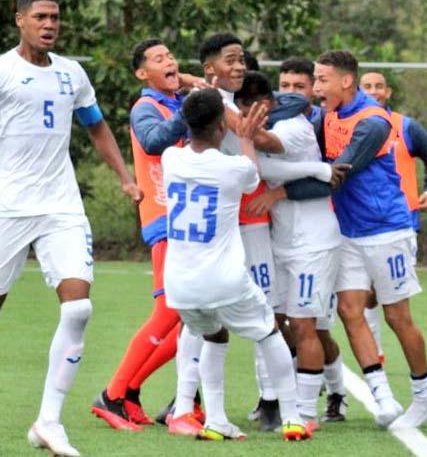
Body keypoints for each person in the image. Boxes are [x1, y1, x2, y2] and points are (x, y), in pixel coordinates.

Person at [0, 0, 143, 457]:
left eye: (55, 17)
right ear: (19, 19)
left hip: (62, 207)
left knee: (78, 309)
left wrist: (125, 177)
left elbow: (96, 125)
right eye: (40, 16)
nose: (50, 24)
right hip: (6, 209)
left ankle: (49, 422)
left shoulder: (72, 74)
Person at [161, 88, 312, 442]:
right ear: (220, 128)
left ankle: (216, 421)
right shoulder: (232, 167)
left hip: (180, 284)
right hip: (224, 280)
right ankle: (292, 416)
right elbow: (252, 176)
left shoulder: (171, 158)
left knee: (214, 335)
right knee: (269, 332)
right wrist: (244, 137)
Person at [313, 50, 427, 428]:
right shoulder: (330, 112)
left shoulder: (373, 123)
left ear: (345, 82)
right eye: (314, 80)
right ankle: (381, 394)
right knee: (350, 310)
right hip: (347, 230)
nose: (317, 88)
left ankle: (424, 397)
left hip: (386, 230)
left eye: (322, 80)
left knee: (397, 316)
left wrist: (281, 185)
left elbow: (338, 172)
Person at [91, 39, 206, 432]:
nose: (170, 60)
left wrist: (189, 92)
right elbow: (154, 141)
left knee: (193, 320)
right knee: (171, 313)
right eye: (159, 59)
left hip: (188, 221)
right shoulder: (145, 107)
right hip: (165, 221)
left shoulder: (175, 101)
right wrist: (190, 104)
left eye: (172, 55)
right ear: (142, 73)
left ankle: (131, 392)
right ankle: (112, 393)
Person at [236, 71, 350, 426]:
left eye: (247, 112)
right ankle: (333, 391)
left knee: (305, 326)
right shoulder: (277, 118)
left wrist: (245, 134)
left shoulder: (293, 127)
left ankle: (303, 413)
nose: (242, 120)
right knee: (286, 323)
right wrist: (317, 169)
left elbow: (265, 155)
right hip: (282, 241)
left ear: (263, 107)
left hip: (313, 243)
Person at [359, 71, 427, 363]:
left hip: (400, 223)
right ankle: (377, 354)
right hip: (359, 223)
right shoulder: (347, 125)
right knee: (364, 293)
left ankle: (413, 368)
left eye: (378, 86)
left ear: (388, 92)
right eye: (366, 86)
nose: (373, 91)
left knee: (390, 300)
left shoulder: (405, 127)